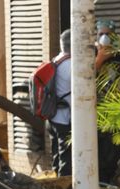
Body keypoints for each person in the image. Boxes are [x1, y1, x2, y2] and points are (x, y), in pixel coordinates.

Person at [95, 21, 120, 184]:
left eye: (108, 34)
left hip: (113, 113)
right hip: (95, 113)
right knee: (97, 152)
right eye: (101, 34)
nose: (104, 38)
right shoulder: (90, 55)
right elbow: (83, 81)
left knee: (112, 153)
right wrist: (99, 60)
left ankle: (107, 183)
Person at [49, 29, 72, 177]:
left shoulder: (55, 60)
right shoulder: (71, 65)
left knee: (56, 154)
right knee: (66, 157)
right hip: (65, 118)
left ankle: (55, 185)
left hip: (52, 116)